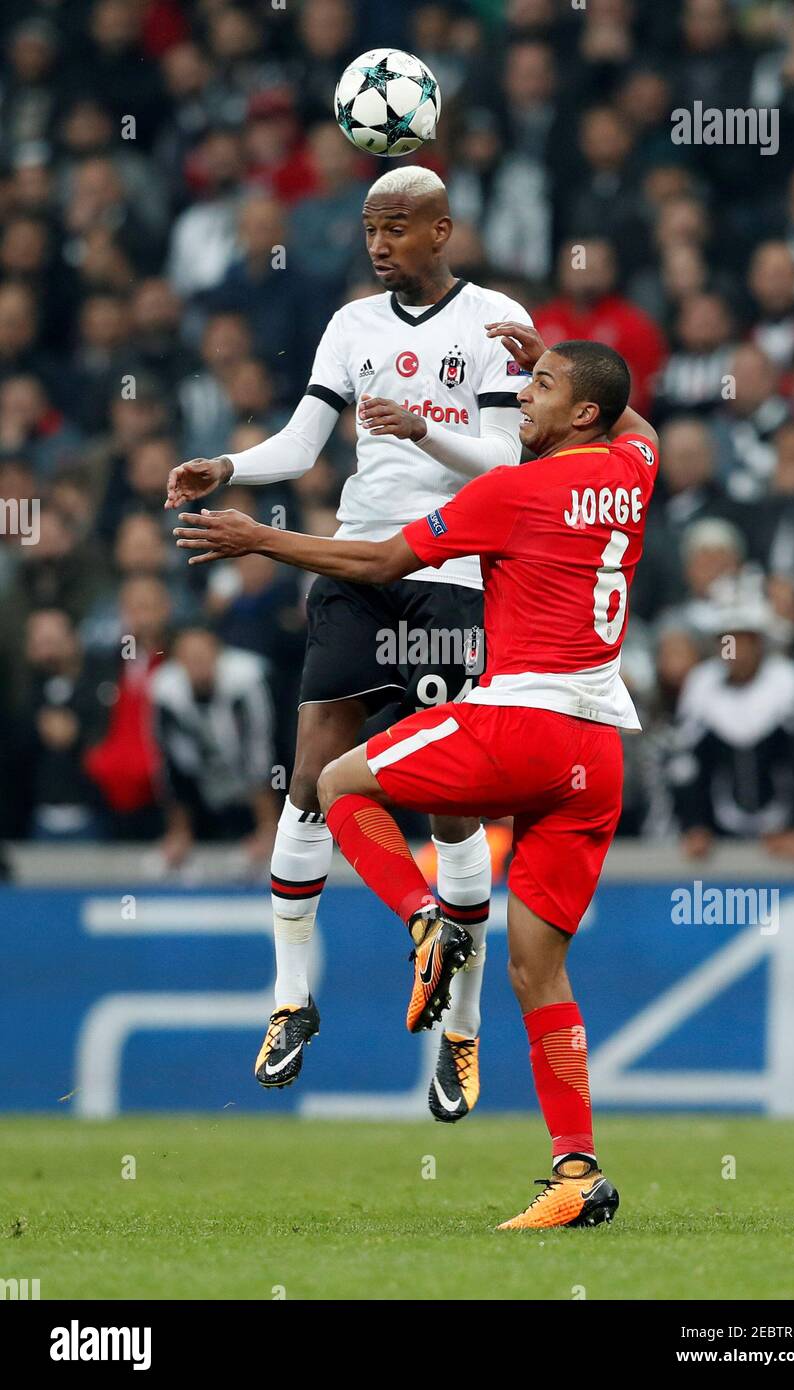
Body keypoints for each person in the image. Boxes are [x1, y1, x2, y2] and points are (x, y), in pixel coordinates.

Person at [172, 331, 659, 1231]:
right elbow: (640, 424)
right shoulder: (633, 468)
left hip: (520, 722)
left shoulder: (511, 491)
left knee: (336, 786)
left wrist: (258, 537)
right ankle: (577, 1173)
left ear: (581, 413)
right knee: (537, 969)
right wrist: (561, 358)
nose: (520, 395)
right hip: (599, 753)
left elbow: (379, 562)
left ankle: (425, 916)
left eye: (541, 386)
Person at [165, 166, 532, 1122]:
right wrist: (228, 467)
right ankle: (291, 999)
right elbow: (301, 443)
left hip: (449, 576)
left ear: (442, 229)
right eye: (371, 228)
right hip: (354, 566)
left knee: (450, 813)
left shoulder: (494, 319)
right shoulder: (351, 324)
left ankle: (460, 1031)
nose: (379, 243)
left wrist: (422, 432)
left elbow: (502, 464)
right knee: (308, 780)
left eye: (398, 227)